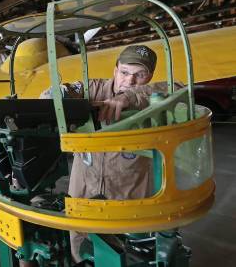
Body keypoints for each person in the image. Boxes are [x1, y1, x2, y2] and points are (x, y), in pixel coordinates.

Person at [40, 44, 168, 263]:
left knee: (127, 256)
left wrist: (130, 98)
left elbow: (176, 87)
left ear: (150, 76)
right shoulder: (94, 88)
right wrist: (60, 96)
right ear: (115, 70)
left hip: (127, 199)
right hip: (83, 194)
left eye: (140, 75)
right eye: (125, 72)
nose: (129, 81)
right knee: (81, 250)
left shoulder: (155, 95)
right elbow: (55, 94)